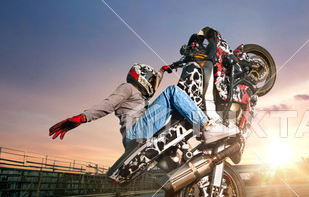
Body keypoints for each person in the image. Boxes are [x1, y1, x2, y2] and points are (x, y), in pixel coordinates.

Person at [49, 63, 237, 146]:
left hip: (135, 135)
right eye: (149, 78)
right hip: (137, 131)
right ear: (139, 77)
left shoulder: (138, 98)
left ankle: (178, 153)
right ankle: (207, 127)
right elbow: (108, 104)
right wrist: (83, 117)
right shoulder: (128, 88)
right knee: (172, 93)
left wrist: (162, 72)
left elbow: (154, 91)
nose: (152, 81)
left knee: (177, 112)